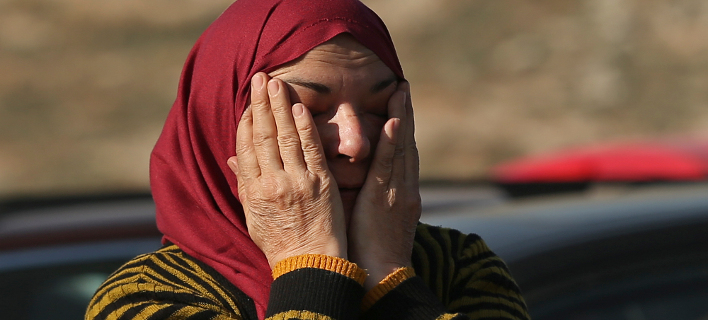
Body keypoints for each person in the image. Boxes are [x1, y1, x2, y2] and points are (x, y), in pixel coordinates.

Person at [85, 0, 530, 319]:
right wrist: (310, 265)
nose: (355, 143)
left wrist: (391, 277)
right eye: (309, 112)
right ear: (220, 123)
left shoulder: (455, 265)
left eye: (378, 110)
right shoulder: (144, 296)